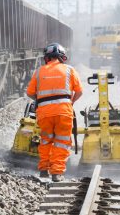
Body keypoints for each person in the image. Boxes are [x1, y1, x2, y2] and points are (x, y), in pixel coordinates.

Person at [27, 43, 83, 182]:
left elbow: (30, 93)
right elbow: (79, 91)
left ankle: (44, 170)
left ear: (47, 58)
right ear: (62, 57)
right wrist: (70, 102)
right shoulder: (70, 70)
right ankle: (56, 174)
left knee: (46, 140)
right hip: (64, 112)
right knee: (62, 142)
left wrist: (42, 100)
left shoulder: (39, 71)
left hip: (44, 113)